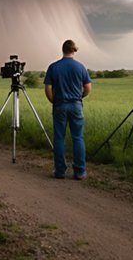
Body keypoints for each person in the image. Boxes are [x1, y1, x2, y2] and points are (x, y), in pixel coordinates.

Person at [44, 39, 93, 179]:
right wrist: (79, 97)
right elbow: (88, 88)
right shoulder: (81, 67)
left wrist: (54, 100)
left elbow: (48, 89)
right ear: (74, 50)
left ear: (63, 50)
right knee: (78, 137)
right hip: (76, 105)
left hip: (59, 105)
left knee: (59, 138)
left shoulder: (53, 67)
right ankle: (80, 171)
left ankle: (60, 171)